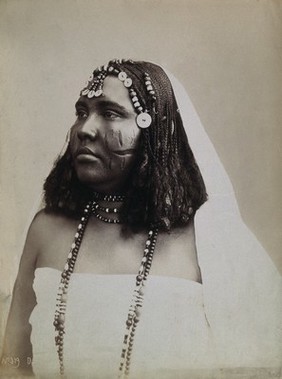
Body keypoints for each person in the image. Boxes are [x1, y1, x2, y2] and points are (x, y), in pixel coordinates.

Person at [1, 59, 281, 379]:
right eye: (81, 112)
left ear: (154, 130)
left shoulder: (210, 239)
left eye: (109, 113)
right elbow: (13, 364)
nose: (84, 129)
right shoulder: (46, 230)